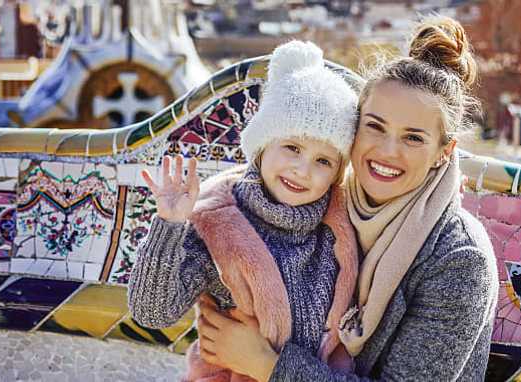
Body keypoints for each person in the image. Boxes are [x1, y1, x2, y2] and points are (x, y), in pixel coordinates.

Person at [196, 16, 500, 382]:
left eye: (413, 138)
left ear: (443, 152)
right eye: (375, 126)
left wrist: (265, 364)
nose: (387, 151)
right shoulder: (322, 203)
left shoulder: (459, 259)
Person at [127, 40, 361, 381]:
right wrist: (169, 225)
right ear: (263, 146)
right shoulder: (219, 225)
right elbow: (152, 312)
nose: (302, 170)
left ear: (338, 173)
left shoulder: (339, 228)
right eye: (292, 147)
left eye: (323, 161)